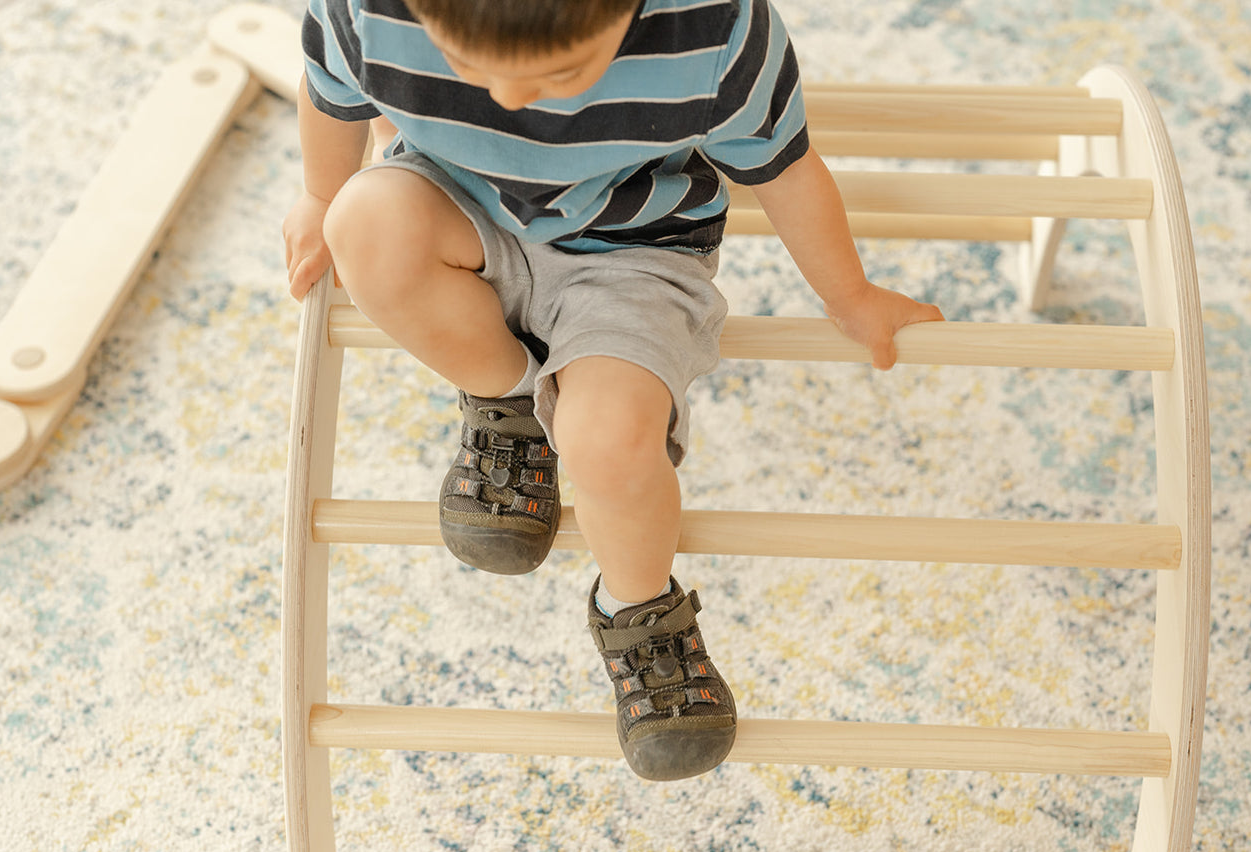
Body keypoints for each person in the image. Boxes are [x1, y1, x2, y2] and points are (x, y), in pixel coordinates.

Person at [282, 0, 943, 781]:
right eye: (465, 66)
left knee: (610, 445)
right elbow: (330, 93)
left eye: (559, 73)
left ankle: (639, 610)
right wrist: (322, 196)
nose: (510, 98)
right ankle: (510, 400)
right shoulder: (368, 12)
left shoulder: (713, 33)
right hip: (453, 198)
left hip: (633, 249)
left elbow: (785, 169)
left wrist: (850, 293)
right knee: (362, 221)